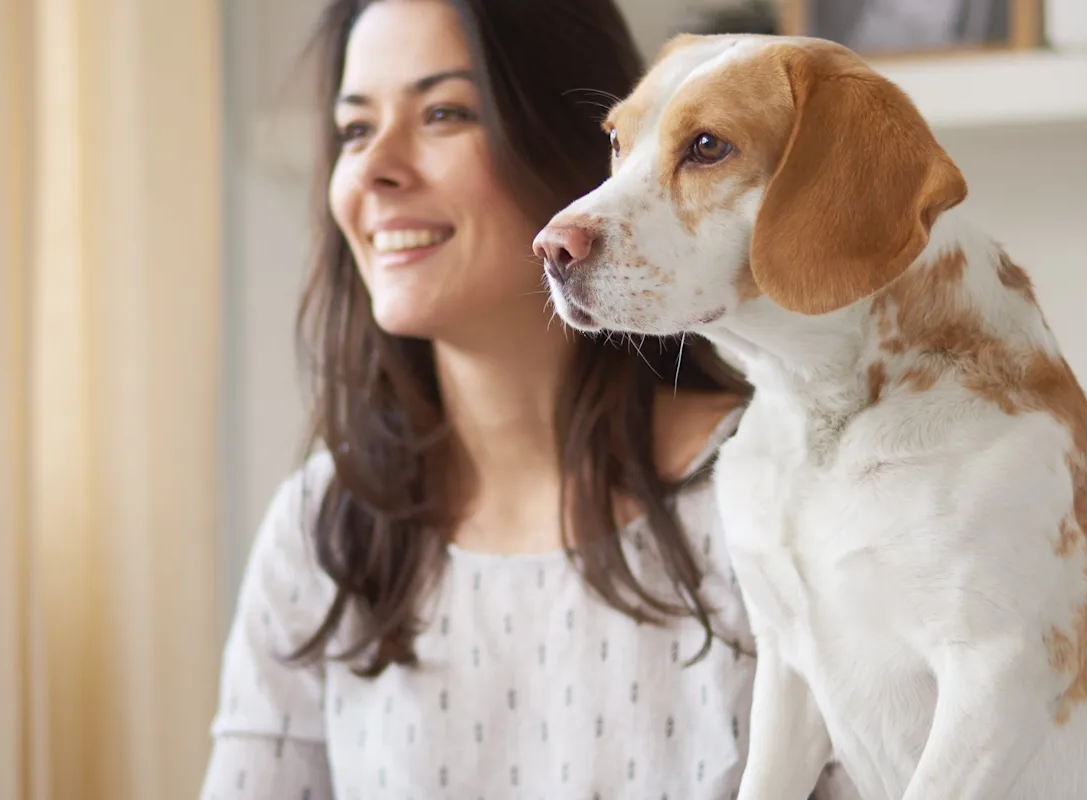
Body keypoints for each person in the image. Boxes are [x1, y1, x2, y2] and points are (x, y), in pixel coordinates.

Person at [200, 1, 856, 797]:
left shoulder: (795, 496)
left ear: (579, 150)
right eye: (354, 129)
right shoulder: (324, 529)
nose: (375, 168)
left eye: (444, 113)